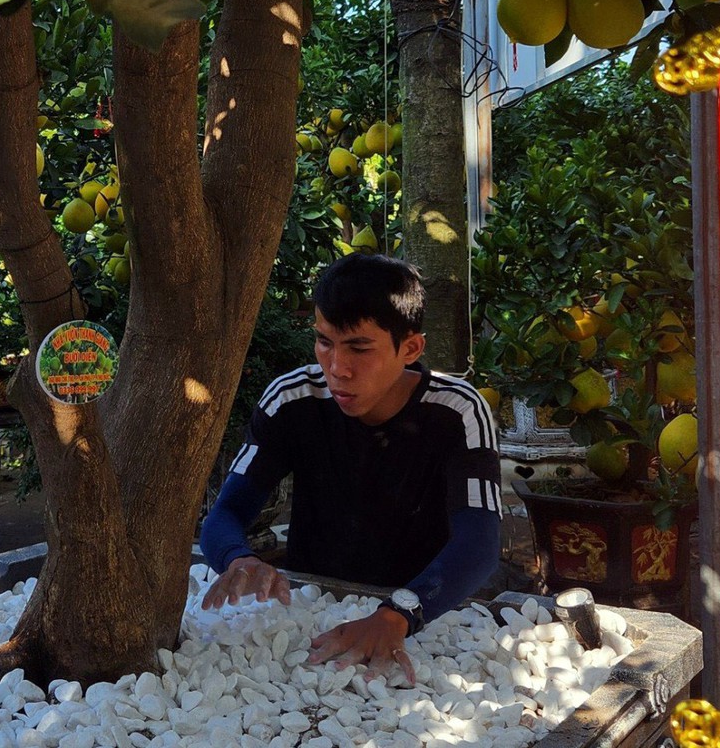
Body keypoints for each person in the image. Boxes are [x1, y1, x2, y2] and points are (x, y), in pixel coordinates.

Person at [199, 253, 501, 682]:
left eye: (359, 347)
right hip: (309, 618)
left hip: (428, 618)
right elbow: (225, 514)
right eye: (325, 342)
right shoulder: (292, 398)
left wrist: (398, 614)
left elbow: (481, 543)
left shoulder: (458, 410)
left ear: (411, 348)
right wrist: (238, 559)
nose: (338, 368)